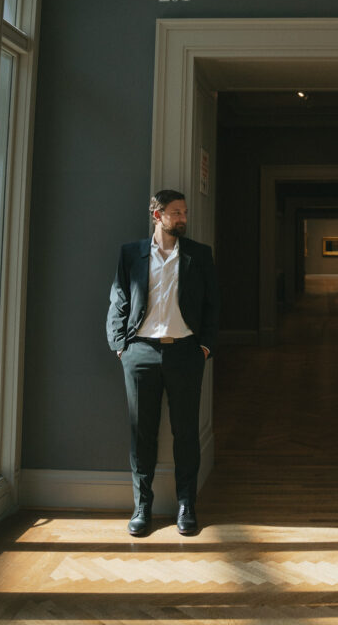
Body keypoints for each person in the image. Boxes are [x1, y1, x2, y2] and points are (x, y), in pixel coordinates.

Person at [106, 189, 218, 537]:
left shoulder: (199, 255)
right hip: (140, 353)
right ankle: (142, 507)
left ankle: (186, 504)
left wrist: (204, 348)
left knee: (186, 433)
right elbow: (119, 298)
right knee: (142, 434)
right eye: (176, 212)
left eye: (184, 212)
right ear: (157, 215)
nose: (183, 218)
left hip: (185, 352)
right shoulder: (131, 254)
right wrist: (120, 347)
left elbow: (212, 306)